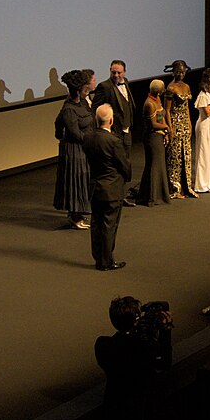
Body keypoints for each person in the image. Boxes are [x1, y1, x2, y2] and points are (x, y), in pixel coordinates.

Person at [84, 104, 131, 270]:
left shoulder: (88, 138)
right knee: (109, 226)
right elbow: (124, 165)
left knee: (96, 224)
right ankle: (106, 261)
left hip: (95, 187)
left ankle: (98, 258)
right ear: (111, 120)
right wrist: (127, 177)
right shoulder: (114, 141)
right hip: (112, 189)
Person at [56, 69, 96, 228]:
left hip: (84, 148)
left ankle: (78, 214)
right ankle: (74, 217)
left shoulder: (82, 103)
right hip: (75, 150)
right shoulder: (69, 109)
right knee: (76, 182)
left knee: (84, 180)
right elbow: (74, 132)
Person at [94, 60, 136, 192]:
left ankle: (122, 194)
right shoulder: (104, 86)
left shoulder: (126, 82)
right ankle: (114, 194)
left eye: (119, 72)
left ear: (124, 72)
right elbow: (96, 109)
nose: (116, 75)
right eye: (113, 72)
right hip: (113, 133)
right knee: (114, 165)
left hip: (126, 131)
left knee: (125, 163)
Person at [164, 61, 196, 200]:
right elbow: (167, 110)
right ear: (173, 71)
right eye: (178, 72)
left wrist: (189, 123)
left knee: (186, 156)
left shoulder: (187, 86)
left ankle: (186, 185)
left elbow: (187, 107)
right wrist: (170, 128)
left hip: (184, 123)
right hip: (175, 122)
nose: (180, 74)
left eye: (182, 72)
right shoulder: (170, 88)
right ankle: (175, 187)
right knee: (175, 156)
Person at [139, 79, 169, 206]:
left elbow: (160, 117)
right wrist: (166, 127)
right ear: (159, 90)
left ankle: (159, 195)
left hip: (159, 135)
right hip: (152, 137)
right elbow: (152, 124)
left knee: (159, 165)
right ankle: (151, 196)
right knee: (154, 166)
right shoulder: (149, 104)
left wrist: (165, 132)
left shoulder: (157, 100)